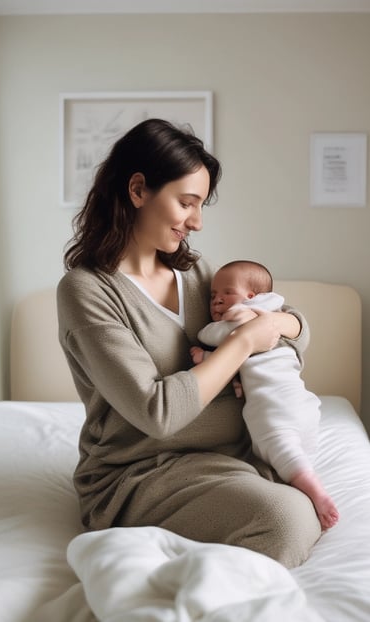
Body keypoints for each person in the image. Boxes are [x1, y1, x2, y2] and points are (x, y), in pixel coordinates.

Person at [57, 118, 322, 570]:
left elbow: (294, 331)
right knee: (287, 520)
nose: (196, 222)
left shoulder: (198, 274)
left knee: (303, 509)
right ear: (138, 190)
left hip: (230, 460)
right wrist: (242, 344)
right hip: (141, 474)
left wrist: (278, 323)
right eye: (186, 203)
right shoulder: (88, 292)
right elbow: (158, 412)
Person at [191, 260, 339, 530]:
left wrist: (203, 354)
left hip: (274, 407)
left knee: (281, 448)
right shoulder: (275, 315)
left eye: (226, 293)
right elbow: (245, 358)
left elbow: (215, 337)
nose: (216, 301)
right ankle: (301, 477)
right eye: (212, 295)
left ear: (251, 298)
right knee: (296, 451)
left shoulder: (240, 320)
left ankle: (318, 494)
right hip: (303, 404)